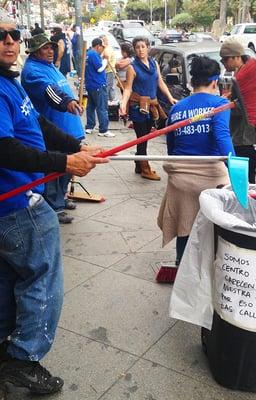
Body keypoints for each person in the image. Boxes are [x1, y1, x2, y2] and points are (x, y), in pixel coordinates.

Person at [0, 10, 107, 396]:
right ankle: (24, 362)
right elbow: (4, 148)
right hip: (17, 204)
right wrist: (64, 162)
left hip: (15, 203)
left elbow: (37, 125)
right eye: (1, 36)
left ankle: (5, 352)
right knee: (42, 280)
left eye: (14, 35)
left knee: (10, 278)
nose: (10, 41)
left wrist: (76, 146)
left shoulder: (8, 81)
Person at [157, 56, 235, 268]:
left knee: (185, 225)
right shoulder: (219, 105)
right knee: (215, 227)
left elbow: (171, 146)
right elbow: (222, 137)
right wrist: (237, 171)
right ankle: (211, 266)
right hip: (211, 180)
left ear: (192, 82)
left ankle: (182, 265)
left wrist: (178, 172)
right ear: (214, 82)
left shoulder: (177, 108)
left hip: (180, 180)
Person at [21, 33, 85, 224]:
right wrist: (68, 102)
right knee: (53, 170)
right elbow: (49, 91)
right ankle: (53, 207)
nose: (50, 51)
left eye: (51, 48)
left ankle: (61, 199)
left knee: (68, 169)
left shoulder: (50, 66)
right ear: (34, 52)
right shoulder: (32, 71)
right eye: (44, 48)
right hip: (53, 131)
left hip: (69, 130)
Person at [119, 36, 177, 181]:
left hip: (152, 106)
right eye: (137, 47)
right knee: (142, 138)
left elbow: (160, 83)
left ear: (148, 48)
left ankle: (139, 164)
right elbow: (128, 89)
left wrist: (170, 97)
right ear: (134, 49)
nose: (140, 50)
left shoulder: (154, 63)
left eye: (143, 47)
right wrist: (123, 103)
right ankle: (145, 168)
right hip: (138, 108)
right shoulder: (132, 67)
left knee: (145, 137)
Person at [219, 39, 256, 183]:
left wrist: (227, 105)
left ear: (236, 57)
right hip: (243, 136)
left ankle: (247, 205)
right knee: (242, 179)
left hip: (246, 138)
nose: (224, 63)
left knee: (244, 182)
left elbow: (246, 107)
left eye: (225, 60)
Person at [85, 37, 115, 138]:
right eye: (102, 47)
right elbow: (100, 68)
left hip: (90, 84)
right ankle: (103, 129)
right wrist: (106, 60)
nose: (103, 49)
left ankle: (90, 126)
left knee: (91, 106)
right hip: (98, 84)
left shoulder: (88, 54)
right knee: (102, 108)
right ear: (98, 47)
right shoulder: (94, 55)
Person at [100, 34, 117, 103]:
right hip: (107, 71)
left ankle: (109, 100)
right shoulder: (104, 49)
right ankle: (110, 100)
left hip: (109, 70)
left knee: (108, 86)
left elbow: (106, 62)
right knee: (109, 86)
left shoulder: (107, 50)